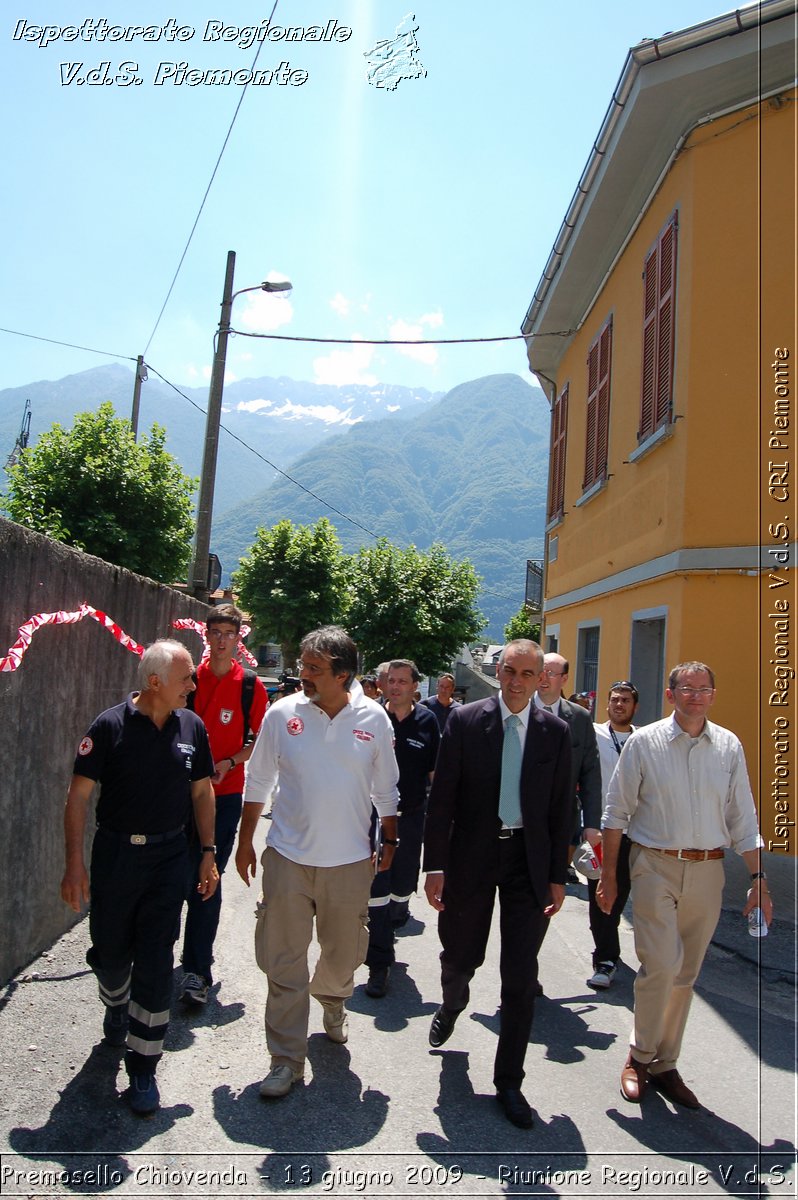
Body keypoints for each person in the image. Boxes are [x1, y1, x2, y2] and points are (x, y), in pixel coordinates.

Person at [598, 662, 773, 1109]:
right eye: (686, 689)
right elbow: (616, 813)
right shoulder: (645, 742)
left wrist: (758, 879)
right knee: (660, 963)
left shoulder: (728, 745)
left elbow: (743, 816)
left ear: (713, 695)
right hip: (654, 864)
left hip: (709, 870)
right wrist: (610, 879)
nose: (695, 696)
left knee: (686, 973)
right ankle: (638, 1057)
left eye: (703, 689)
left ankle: (664, 1063)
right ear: (671, 695)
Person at [235, 626, 399, 1099]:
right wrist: (246, 842)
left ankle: (332, 998)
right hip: (287, 856)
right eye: (303, 666)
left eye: (313, 669)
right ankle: (285, 1060)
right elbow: (259, 779)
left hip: (349, 863)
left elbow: (386, 787)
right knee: (284, 962)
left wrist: (390, 837)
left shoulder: (375, 718)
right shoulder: (282, 712)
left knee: (342, 954)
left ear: (343, 675)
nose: (301, 674)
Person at [60, 640, 218, 1115]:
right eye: (186, 677)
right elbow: (78, 797)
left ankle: (144, 1069)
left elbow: (203, 793)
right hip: (116, 856)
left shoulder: (193, 727)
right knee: (109, 951)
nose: (193, 685)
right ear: (155, 682)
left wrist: (207, 852)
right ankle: (115, 1001)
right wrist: (74, 864)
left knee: (154, 959)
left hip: (171, 857)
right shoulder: (109, 727)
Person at [423, 639, 572, 1129]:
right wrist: (435, 865)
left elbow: (559, 811)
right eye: (509, 671)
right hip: (472, 855)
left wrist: (556, 875)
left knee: (520, 975)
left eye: (528, 674)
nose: (516, 681)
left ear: (540, 681)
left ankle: (509, 1081)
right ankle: (454, 999)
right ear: (497, 671)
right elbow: (442, 795)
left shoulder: (555, 731)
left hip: (526, 861)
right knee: (461, 951)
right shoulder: (466, 722)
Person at [179, 603, 269, 1005]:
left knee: (207, 875)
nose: (219, 640)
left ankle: (197, 970)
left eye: (227, 634)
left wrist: (230, 762)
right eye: (213, 632)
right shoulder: (188, 680)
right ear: (206, 636)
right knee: (171, 874)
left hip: (227, 795)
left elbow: (257, 741)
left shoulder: (250, 685)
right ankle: (154, 960)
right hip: (180, 794)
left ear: (238, 638)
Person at [364, 659, 440, 998]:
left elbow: (435, 775)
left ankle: (394, 917)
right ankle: (378, 964)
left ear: (414, 686)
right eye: (390, 680)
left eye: (402, 681)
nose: (394, 686)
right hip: (373, 818)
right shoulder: (369, 717)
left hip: (411, 817)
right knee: (376, 889)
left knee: (402, 887)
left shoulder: (428, 722)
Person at [586, 681, 639, 990]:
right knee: (601, 896)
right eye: (615, 699)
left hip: (637, 833)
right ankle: (605, 960)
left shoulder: (642, 739)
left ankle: (610, 947)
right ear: (606, 704)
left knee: (621, 897)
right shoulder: (594, 735)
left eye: (626, 700)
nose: (620, 704)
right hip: (603, 831)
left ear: (635, 707)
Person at [535, 653, 602, 883]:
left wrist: (592, 824)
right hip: (519, 817)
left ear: (564, 679)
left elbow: (590, 773)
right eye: (540, 672)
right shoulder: (518, 707)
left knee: (550, 888)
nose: (543, 678)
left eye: (551, 674)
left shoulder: (579, 718)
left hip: (562, 819)